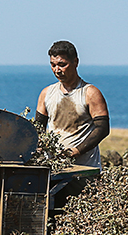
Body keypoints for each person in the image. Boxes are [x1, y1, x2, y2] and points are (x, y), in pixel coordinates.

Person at [35, 40, 110, 170]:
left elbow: (102, 129)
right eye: (52, 65)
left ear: (75, 62)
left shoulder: (90, 93)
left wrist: (76, 151)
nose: (57, 70)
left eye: (62, 65)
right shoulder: (46, 93)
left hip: (84, 170)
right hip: (55, 168)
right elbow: (38, 128)